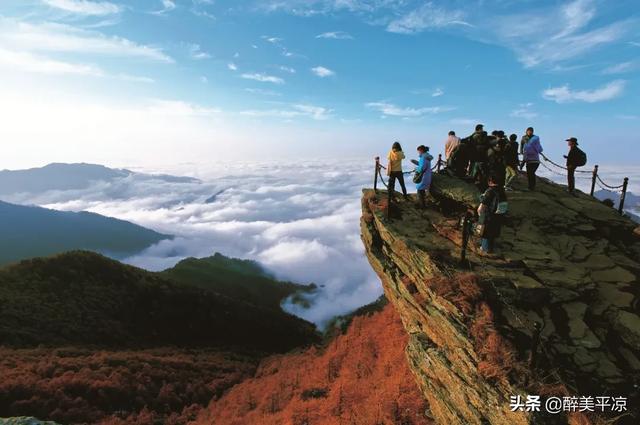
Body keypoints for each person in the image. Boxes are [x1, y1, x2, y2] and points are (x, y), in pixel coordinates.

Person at [477, 174, 508, 254]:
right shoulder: (502, 191)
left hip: (489, 215)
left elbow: (484, 203)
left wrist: (479, 212)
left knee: (485, 233)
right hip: (498, 215)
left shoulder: (490, 190)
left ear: (490, 182)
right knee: (493, 232)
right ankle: (490, 248)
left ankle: (485, 249)